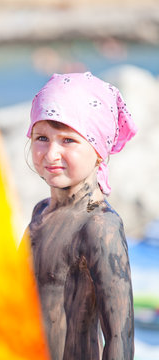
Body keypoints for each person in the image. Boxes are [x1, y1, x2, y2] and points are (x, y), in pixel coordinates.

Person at [25, 72, 137, 360]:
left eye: (68, 140)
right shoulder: (42, 212)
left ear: (98, 150)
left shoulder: (99, 225)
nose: (51, 154)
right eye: (42, 138)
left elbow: (119, 336)